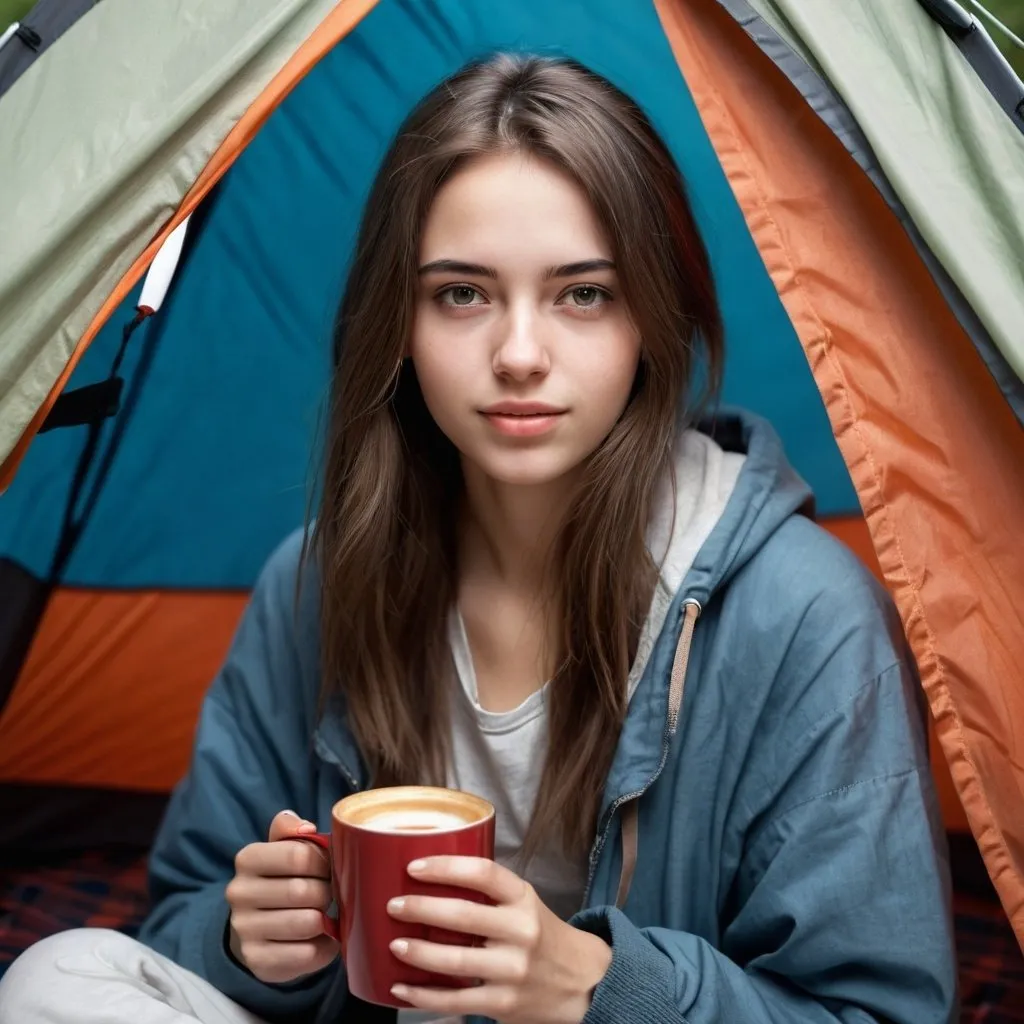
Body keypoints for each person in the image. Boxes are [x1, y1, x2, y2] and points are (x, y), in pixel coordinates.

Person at [0, 54, 957, 1024]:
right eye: (462, 293)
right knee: (58, 974)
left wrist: (598, 985)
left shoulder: (803, 616)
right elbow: (177, 926)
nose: (519, 354)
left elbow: (877, 1011)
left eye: (583, 293)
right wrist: (242, 940)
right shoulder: (317, 583)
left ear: (650, 322)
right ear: (399, 323)